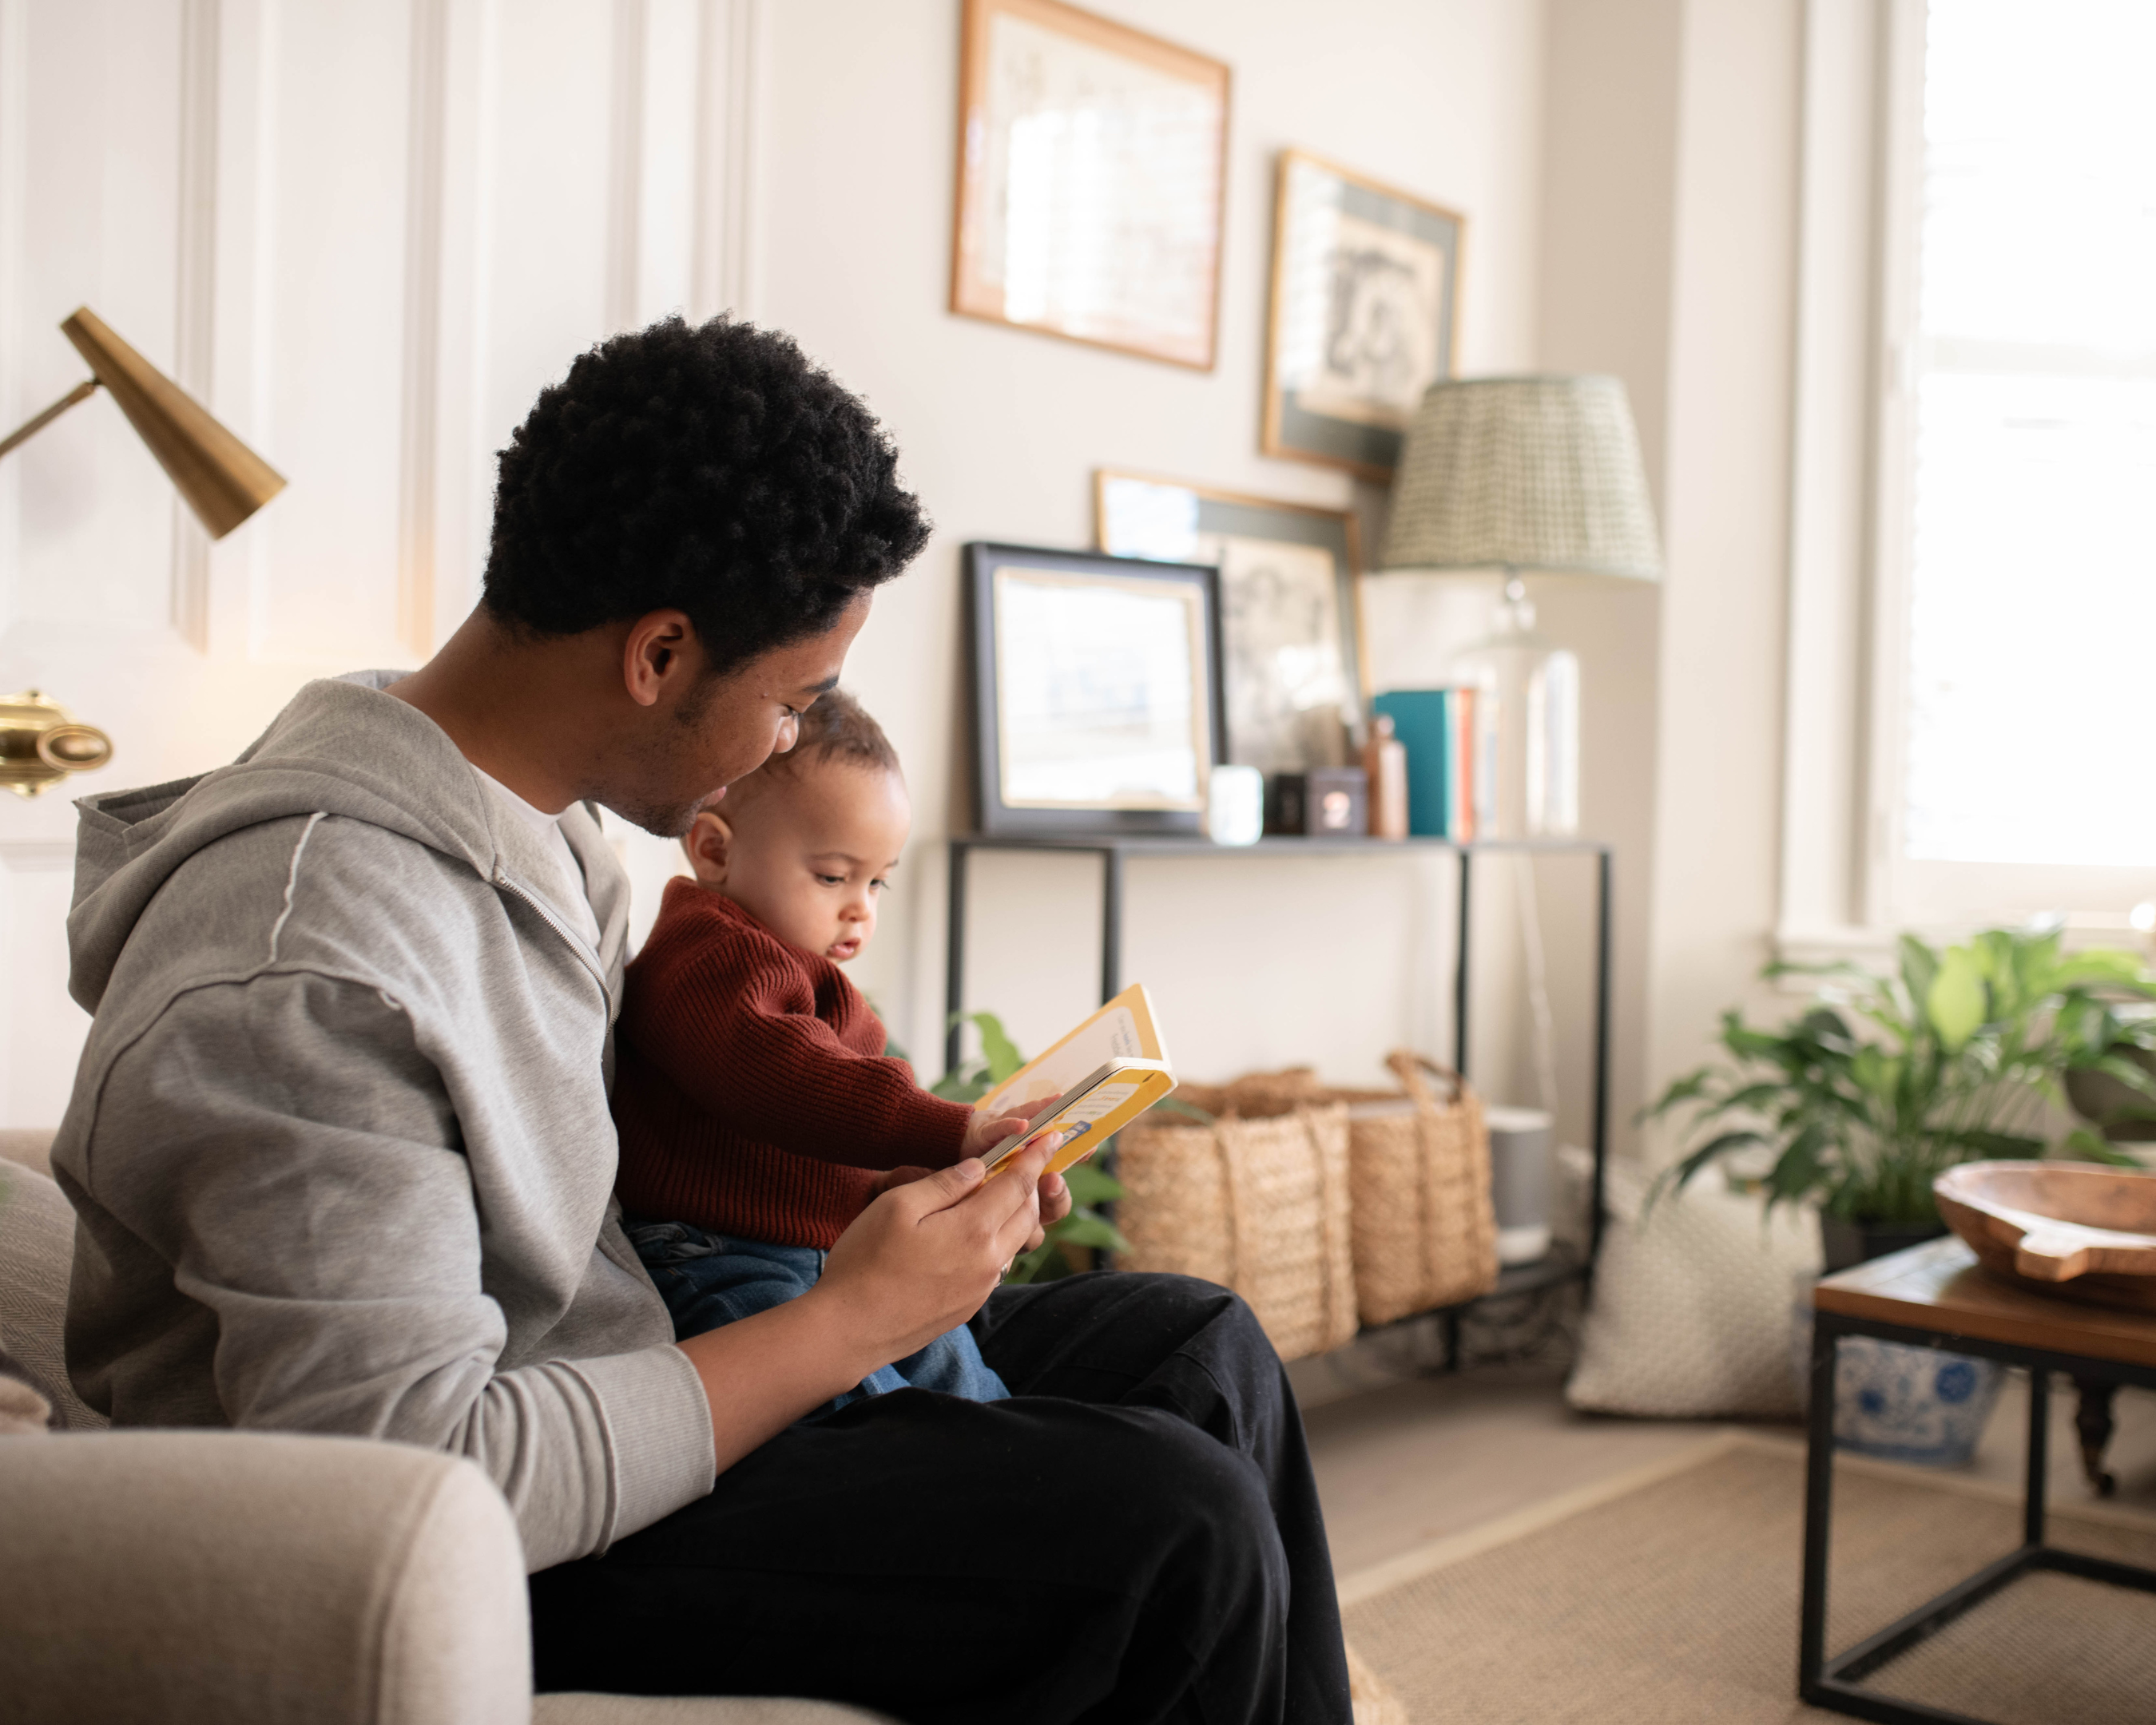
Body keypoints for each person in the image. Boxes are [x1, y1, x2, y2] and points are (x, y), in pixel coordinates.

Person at [51, 314, 1349, 1724]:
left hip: (638, 1357)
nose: (793, 743)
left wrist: (897, 1188)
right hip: (507, 1543)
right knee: (1174, 1525)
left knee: (1196, 1344)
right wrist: (849, 1322)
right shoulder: (310, 968)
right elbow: (418, 1485)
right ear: (661, 654)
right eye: (792, 700)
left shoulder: (533, 822)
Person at [614, 688, 1020, 1408]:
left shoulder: (811, 969)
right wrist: (947, 1129)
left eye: (877, 881)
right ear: (715, 850)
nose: (860, 905)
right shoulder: (711, 954)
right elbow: (790, 1079)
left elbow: (816, 1152)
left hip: (828, 1253)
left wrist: (902, 1185)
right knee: (859, 1409)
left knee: (958, 1369)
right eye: (833, 876)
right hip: (717, 1256)